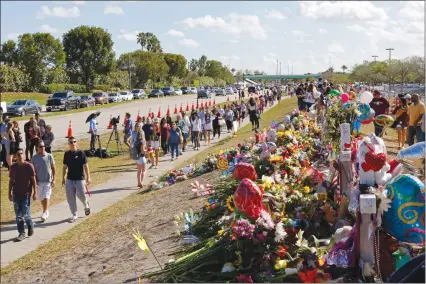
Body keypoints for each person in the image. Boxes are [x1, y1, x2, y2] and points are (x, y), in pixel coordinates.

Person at [9, 148, 37, 242]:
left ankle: (30, 225)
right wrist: (9, 193)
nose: (20, 155)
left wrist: (35, 193)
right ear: (15, 157)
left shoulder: (29, 166)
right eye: (18, 154)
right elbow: (11, 181)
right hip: (16, 194)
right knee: (18, 215)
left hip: (26, 194)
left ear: (24, 155)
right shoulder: (13, 167)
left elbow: (33, 180)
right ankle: (22, 233)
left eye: (22, 154)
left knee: (25, 214)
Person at [62, 136, 91, 223]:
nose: (73, 143)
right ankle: (74, 215)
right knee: (70, 198)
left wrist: (88, 176)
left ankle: (86, 205)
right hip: (70, 179)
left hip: (80, 178)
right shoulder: (66, 154)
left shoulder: (81, 153)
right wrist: (63, 177)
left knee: (81, 195)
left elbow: (85, 165)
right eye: (71, 142)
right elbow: (64, 167)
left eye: (74, 142)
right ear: (68, 144)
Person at [31, 140, 56, 222]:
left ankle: (45, 212)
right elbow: (33, 170)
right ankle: (45, 210)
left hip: (48, 180)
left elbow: (53, 168)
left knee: (46, 196)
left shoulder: (49, 156)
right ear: (37, 148)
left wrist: (54, 179)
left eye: (43, 146)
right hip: (39, 181)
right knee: (40, 197)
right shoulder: (34, 158)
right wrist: (34, 181)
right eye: (41, 146)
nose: (43, 148)